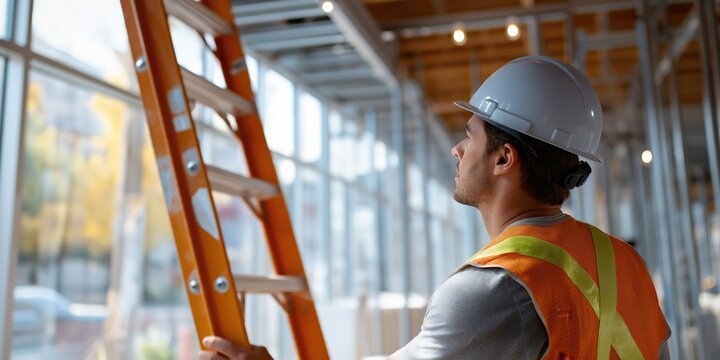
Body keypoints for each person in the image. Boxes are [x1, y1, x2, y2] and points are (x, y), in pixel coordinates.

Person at [198, 56, 671, 359]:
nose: (457, 150)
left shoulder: (497, 286)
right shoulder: (626, 264)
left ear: (504, 158)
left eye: (470, 136)